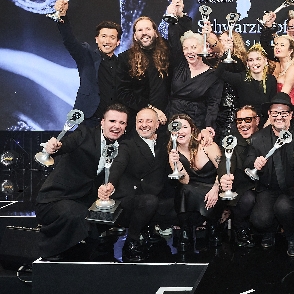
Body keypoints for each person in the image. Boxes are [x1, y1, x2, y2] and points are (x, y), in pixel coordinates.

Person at [35, 104, 129, 260]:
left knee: (118, 208)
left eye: (122, 123)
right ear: (102, 122)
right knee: (77, 215)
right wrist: (54, 147)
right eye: (112, 121)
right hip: (57, 199)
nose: (116, 126)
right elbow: (65, 145)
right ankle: (49, 253)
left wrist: (110, 186)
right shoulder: (84, 134)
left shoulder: (124, 146)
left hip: (87, 201)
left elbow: (119, 169)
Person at [97, 107, 174, 262]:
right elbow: (119, 164)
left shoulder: (164, 143)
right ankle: (131, 241)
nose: (144, 125)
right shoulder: (128, 144)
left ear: (157, 124)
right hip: (129, 199)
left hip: (154, 196)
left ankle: (149, 229)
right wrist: (110, 183)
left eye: (149, 121)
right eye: (140, 121)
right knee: (149, 201)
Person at [244, 93, 294, 256]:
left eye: (284, 113)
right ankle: (271, 230)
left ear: (291, 114)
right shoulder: (258, 138)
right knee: (259, 220)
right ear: (269, 115)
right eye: (275, 113)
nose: (279, 117)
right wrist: (254, 164)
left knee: (283, 207)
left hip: (293, 187)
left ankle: (292, 238)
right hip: (268, 188)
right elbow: (247, 163)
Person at [53, 0, 122, 126]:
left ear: (118, 42)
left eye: (112, 37)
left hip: (113, 121)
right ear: (97, 39)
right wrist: (63, 18)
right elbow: (70, 41)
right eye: (103, 36)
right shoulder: (86, 56)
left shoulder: (122, 65)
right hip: (87, 117)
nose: (107, 41)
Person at [168, 113, 224, 251]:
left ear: (192, 130)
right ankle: (185, 232)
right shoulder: (172, 151)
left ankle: (212, 227)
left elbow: (224, 170)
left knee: (187, 192)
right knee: (183, 190)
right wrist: (176, 164)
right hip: (191, 190)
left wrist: (216, 189)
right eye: (177, 127)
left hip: (214, 186)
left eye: (184, 127)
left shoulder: (207, 145)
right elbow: (185, 180)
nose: (180, 131)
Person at [165, 19, 223, 131]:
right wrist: (174, 18)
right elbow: (173, 40)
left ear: (203, 48)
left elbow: (213, 105)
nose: (189, 52)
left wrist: (208, 127)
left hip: (197, 123)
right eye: (185, 48)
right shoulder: (179, 66)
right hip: (173, 119)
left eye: (193, 47)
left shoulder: (213, 75)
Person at [217, 105, 260, 248]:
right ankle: (240, 228)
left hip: (265, 187)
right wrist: (224, 177)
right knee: (247, 198)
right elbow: (226, 161)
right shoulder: (232, 141)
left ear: (257, 121)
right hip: (242, 188)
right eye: (239, 121)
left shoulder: (266, 137)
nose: (243, 124)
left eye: (247, 119)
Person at [117, 16, 170, 125]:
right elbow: (123, 93)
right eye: (140, 30)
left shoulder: (168, 54)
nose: (144, 33)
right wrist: (151, 110)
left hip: (167, 117)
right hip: (139, 119)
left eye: (148, 29)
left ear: (155, 33)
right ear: (135, 36)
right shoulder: (125, 58)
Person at [215, 44, 278, 119]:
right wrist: (226, 54)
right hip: (245, 122)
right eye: (251, 60)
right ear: (247, 64)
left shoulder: (271, 80)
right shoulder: (241, 78)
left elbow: (272, 106)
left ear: (265, 61)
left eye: (258, 59)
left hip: (265, 124)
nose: (255, 63)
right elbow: (219, 73)